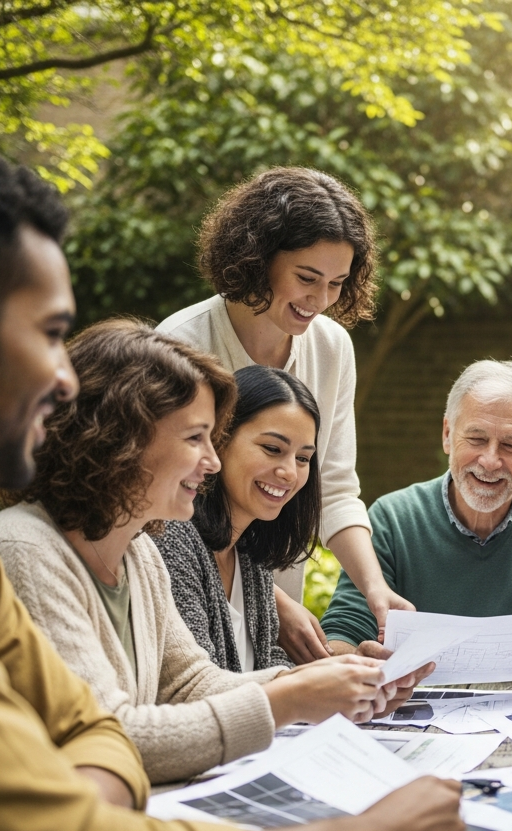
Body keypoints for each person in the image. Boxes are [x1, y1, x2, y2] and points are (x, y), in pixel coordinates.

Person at [0, 141, 463, 831]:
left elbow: (99, 727)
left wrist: (67, 810)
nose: (62, 379)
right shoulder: (20, 547)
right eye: (50, 334)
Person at [0, 320, 424, 783]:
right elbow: (103, 738)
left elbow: (189, 683)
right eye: (196, 438)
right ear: (120, 438)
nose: (212, 461)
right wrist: (291, 698)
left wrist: (336, 683)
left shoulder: (138, 555)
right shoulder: (25, 552)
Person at [157, 167, 411, 664]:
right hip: (188, 598)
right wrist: (274, 601)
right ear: (257, 258)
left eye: (337, 283)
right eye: (306, 278)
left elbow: (334, 486)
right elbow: (163, 506)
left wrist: (376, 590)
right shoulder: (181, 345)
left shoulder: (332, 347)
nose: (320, 301)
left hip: (271, 599)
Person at [320, 359, 512, 697]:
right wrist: (355, 661)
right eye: (476, 438)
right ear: (447, 435)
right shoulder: (392, 518)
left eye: (511, 445)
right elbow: (343, 630)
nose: (490, 460)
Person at [154, 365, 322, 673]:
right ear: (220, 439)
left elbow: (266, 661)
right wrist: (324, 681)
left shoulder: (249, 554)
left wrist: (350, 668)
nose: (289, 472)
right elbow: (197, 684)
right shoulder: (173, 539)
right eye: (272, 449)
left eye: (302, 458)